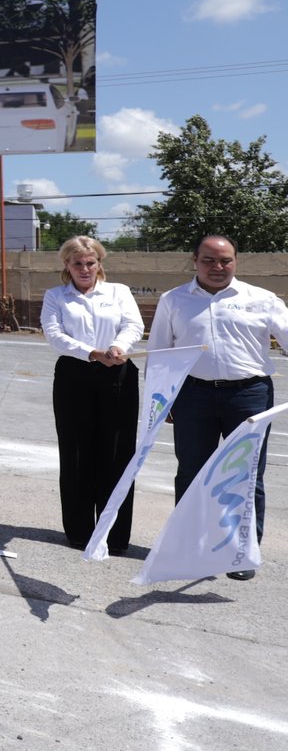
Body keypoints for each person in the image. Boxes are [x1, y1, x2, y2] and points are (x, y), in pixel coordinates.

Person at [148, 234, 288, 582]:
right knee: (191, 471)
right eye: (209, 260)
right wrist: (160, 400)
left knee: (246, 475)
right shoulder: (174, 300)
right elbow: (160, 353)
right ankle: (188, 547)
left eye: (225, 260)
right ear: (194, 260)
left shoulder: (262, 299)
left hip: (249, 395)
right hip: (193, 396)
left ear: (236, 261)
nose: (218, 267)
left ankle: (241, 552)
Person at [40, 236, 144, 554]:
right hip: (75, 376)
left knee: (116, 455)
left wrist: (118, 347)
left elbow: (133, 324)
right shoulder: (56, 296)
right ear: (66, 266)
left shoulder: (118, 293)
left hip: (118, 374)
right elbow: (54, 334)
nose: (84, 269)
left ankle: (115, 535)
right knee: (76, 454)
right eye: (77, 263)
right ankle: (79, 531)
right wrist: (91, 352)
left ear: (100, 264)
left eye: (90, 262)